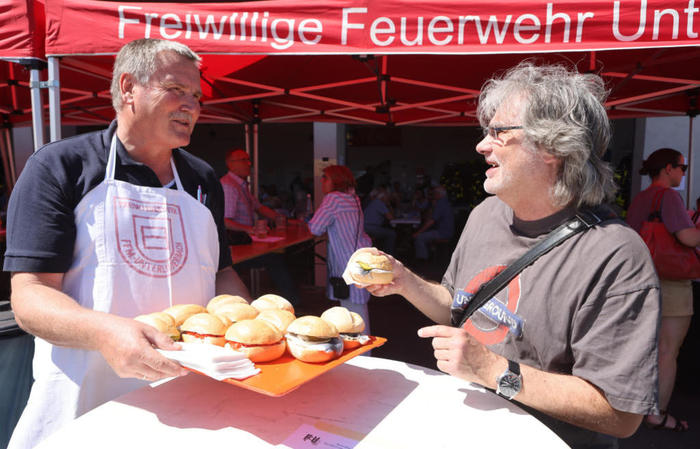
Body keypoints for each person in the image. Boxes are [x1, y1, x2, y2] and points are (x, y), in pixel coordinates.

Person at [365, 62, 660, 449]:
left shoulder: (615, 254)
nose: (481, 145)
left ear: (553, 146)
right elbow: (460, 307)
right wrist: (405, 280)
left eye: (499, 132)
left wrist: (492, 370)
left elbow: (621, 415)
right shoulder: (486, 214)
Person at [3, 38, 250, 449]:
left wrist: (249, 324)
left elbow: (221, 273)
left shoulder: (203, 178)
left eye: (196, 96)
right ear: (128, 88)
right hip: (87, 397)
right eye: (176, 90)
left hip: (194, 390)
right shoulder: (61, 166)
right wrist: (106, 333)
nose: (191, 106)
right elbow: (30, 295)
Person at [626, 148, 700, 432]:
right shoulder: (669, 196)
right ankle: (656, 414)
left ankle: (632, 404)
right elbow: (689, 238)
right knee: (667, 352)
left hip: (641, 280)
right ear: (668, 168)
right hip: (671, 283)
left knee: (645, 348)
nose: (683, 173)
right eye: (682, 167)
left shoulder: (641, 198)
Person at [220, 148, 300, 304]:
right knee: (275, 259)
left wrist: (286, 220)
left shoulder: (240, 184)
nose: (248, 164)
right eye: (243, 160)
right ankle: (293, 303)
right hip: (235, 247)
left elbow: (259, 207)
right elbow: (225, 220)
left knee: (277, 256)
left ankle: (291, 301)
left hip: (246, 243)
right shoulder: (229, 186)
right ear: (230, 164)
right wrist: (250, 229)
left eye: (248, 160)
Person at [308, 165, 372, 331]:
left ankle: (360, 351)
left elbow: (315, 228)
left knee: (352, 313)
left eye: (325, 178)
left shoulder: (333, 199)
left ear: (336, 181)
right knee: (358, 308)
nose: (322, 181)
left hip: (346, 261)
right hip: (361, 256)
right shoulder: (353, 198)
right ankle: (363, 349)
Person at [412, 185, 454, 260]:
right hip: (446, 230)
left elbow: (431, 220)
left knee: (419, 237)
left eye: (434, 193)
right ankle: (428, 255)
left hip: (443, 232)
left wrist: (418, 232)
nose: (433, 195)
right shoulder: (444, 201)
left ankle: (422, 260)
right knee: (424, 233)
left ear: (438, 194)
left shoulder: (441, 203)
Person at [363, 187, 397, 254]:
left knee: (387, 232)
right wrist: (389, 205)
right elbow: (391, 217)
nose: (389, 198)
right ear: (384, 197)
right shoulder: (379, 203)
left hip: (367, 227)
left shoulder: (375, 202)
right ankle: (389, 255)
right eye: (387, 196)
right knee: (392, 234)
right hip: (370, 228)